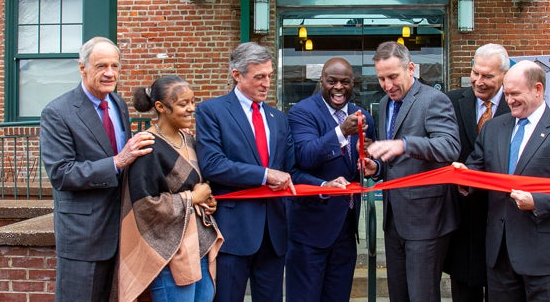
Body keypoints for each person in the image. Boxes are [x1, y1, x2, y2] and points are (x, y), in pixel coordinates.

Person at [196, 42, 319, 302]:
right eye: (259, 77)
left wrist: (324, 184)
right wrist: (264, 175)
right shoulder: (212, 111)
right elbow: (213, 164)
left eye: (269, 76)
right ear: (237, 75)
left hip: (274, 234)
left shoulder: (279, 118)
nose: (266, 84)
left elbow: (289, 171)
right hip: (233, 232)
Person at [457, 60, 550, 302]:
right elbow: (478, 169)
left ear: (538, 89)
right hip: (500, 254)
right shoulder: (493, 128)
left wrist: (536, 201)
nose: (509, 100)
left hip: (546, 257)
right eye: (506, 94)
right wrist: (463, 177)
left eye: (515, 94)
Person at [39, 36, 156, 302]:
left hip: (120, 232)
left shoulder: (119, 104)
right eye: (101, 66)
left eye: (115, 66)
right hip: (83, 236)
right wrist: (117, 161)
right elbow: (61, 173)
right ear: (82, 67)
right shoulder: (58, 112)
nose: (109, 73)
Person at [365, 40, 461, 302]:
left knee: (423, 296)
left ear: (411, 68)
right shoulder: (385, 104)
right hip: (394, 219)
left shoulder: (434, 100)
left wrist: (405, 144)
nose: (387, 85)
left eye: (393, 76)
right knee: (400, 295)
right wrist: (376, 167)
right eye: (382, 78)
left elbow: (450, 147)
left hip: (427, 219)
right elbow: (393, 161)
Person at [119, 75, 222, 302]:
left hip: (199, 246)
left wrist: (207, 200)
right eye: (183, 104)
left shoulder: (190, 140)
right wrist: (192, 198)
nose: (191, 109)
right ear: (160, 107)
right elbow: (145, 206)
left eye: (193, 102)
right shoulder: (147, 147)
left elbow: (197, 186)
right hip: (169, 252)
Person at [286, 58, 377, 302]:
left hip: (346, 229)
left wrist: (371, 162)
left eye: (345, 82)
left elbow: (373, 160)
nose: (339, 87)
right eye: (332, 81)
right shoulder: (302, 112)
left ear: (353, 83)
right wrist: (340, 133)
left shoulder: (364, 116)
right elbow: (303, 158)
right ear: (321, 82)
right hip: (310, 230)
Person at [444, 43, 511, 302]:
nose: (479, 81)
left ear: (505, 76)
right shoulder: (450, 101)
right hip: (462, 217)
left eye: (488, 76)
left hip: (504, 219)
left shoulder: (516, 104)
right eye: (475, 73)